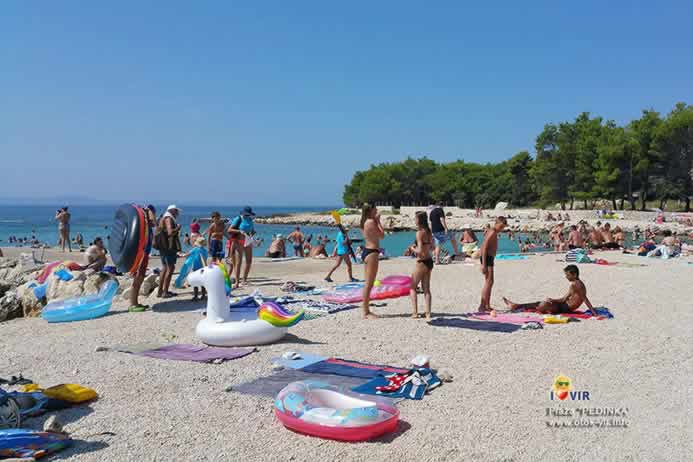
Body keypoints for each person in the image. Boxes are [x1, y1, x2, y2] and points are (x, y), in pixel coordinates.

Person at [503, 265, 596, 315]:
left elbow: (585, 299)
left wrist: (594, 313)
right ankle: (516, 306)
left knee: (541, 305)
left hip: (564, 308)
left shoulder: (577, 285)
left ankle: (516, 306)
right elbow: (564, 299)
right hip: (563, 306)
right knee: (539, 303)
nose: (566, 277)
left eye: (568, 275)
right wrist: (553, 300)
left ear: (574, 275)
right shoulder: (576, 284)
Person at [129, 205, 156, 312]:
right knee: (138, 278)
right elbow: (154, 222)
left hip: (144, 254)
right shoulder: (144, 225)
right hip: (142, 255)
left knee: (139, 278)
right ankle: (133, 304)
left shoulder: (145, 227)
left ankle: (135, 302)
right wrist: (149, 211)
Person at [360, 204, 384, 319]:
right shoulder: (371, 222)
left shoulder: (365, 221)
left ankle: (366, 309)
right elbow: (382, 235)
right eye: (375, 209)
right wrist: (378, 221)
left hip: (367, 251)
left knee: (368, 283)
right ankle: (366, 312)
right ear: (371, 210)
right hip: (372, 252)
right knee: (369, 284)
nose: (377, 210)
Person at [478, 216, 507, 312]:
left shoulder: (492, 231)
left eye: (503, 227)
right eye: (501, 227)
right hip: (487, 258)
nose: (502, 229)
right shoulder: (492, 232)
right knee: (488, 282)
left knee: (490, 282)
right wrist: (483, 265)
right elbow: (484, 247)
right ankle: (482, 306)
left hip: (489, 258)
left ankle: (487, 305)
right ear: (497, 223)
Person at [410, 211, 433, 320]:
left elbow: (419, 250)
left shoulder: (419, 233)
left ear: (419, 220)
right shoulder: (428, 231)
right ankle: (428, 313)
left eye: (415, 218)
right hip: (429, 261)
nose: (414, 220)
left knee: (412, 287)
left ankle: (415, 313)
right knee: (426, 289)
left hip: (421, 262)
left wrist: (412, 249)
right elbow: (432, 247)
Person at [156, 205, 182, 298]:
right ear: (172, 211)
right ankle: (165, 292)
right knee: (170, 268)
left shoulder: (164, 217)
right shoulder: (169, 219)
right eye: (176, 211)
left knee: (164, 268)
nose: (178, 213)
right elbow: (170, 232)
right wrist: (178, 228)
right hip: (168, 247)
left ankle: (160, 291)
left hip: (163, 247)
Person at [228, 206, 255, 288]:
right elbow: (230, 230)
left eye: (249, 214)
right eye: (246, 214)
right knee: (238, 262)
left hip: (247, 241)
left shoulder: (250, 220)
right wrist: (240, 231)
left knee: (249, 261)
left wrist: (252, 234)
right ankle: (237, 282)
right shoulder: (238, 219)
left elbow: (252, 230)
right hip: (238, 241)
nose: (247, 216)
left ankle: (244, 280)